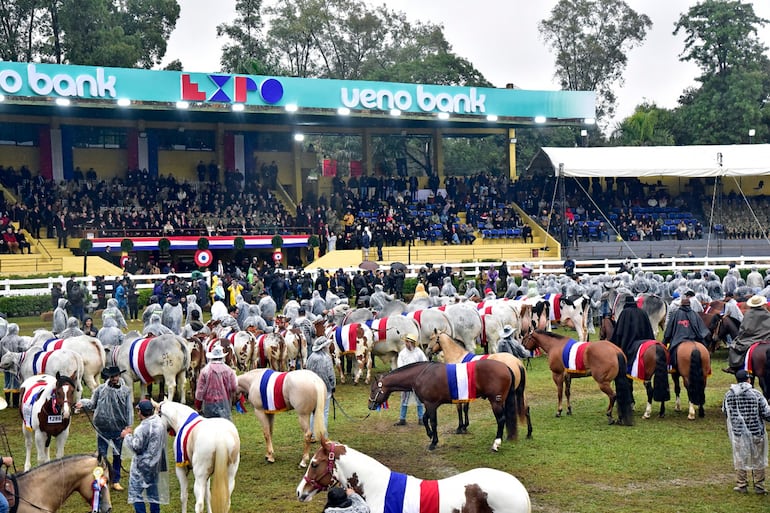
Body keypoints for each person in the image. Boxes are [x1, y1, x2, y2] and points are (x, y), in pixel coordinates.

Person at [75, 366, 133, 491]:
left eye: (116, 376)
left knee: (117, 455)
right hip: (102, 429)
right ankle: (101, 479)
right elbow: (92, 403)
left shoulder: (126, 391)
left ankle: (116, 480)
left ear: (119, 376)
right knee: (102, 456)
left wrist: (129, 426)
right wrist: (83, 403)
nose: (115, 378)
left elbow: (129, 410)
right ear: (108, 377)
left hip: (119, 429)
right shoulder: (100, 390)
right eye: (112, 376)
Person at [723, 369, 770, 494]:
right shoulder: (756, 394)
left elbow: (725, 412)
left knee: (740, 458)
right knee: (758, 458)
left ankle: (741, 484)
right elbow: (766, 413)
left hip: (738, 433)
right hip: (756, 432)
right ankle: (759, 486)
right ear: (748, 379)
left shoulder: (729, 395)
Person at [121, 399, 168, 513]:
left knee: (136, 494)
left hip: (141, 467)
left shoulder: (141, 429)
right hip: (156, 465)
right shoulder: (160, 424)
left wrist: (127, 436)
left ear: (140, 412)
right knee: (153, 494)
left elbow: (136, 447)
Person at [725, 295, 770, 374]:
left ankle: (734, 366)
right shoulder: (767, 313)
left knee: (734, 346)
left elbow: (744, 329)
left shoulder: (748, 314)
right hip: (767, 337)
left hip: (751, 338)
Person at [662, 297, 709, 369]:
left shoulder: (675, 314)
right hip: (694, 340)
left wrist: (665, 341)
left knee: (669, 356)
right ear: (689, 304)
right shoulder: (695, 314)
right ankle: (707, 368)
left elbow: (669, 330)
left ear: (681, 304)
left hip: (678, 340)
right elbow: (702, 330)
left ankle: (670, 368)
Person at [194, 344, 237, 420]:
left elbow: (200, 391)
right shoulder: (228, 370)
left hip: (208, 403)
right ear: (222, 357)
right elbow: (234, 387)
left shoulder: (205, 371)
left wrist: (198, 405)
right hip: (224, 401)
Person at [610, 295, 655, 364]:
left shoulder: (625, 312)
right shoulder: (643, 312)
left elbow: (619, 331)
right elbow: (649, 329)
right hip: (645, 341)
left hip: (629, 344)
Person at [305, 336, 335, 438]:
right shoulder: (327, 358)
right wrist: (333, 386)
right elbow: (331, 375)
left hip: (312, 388)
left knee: (314, 412)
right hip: (325, 388)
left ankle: (313, 434)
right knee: (324, 412)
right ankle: (324, 435)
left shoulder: (311, 357)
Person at [394, 333, 427, 426]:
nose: (407, 343)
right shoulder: (402, 353)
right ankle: (402, 418)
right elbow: (400, 366)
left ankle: (421, 418)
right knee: (404, 399)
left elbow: (424, 363)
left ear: (412, 343)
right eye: (406, 341)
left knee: (419, 399)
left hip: (417, 380)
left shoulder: (418, 352)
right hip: (406, 380)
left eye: (409, 342)